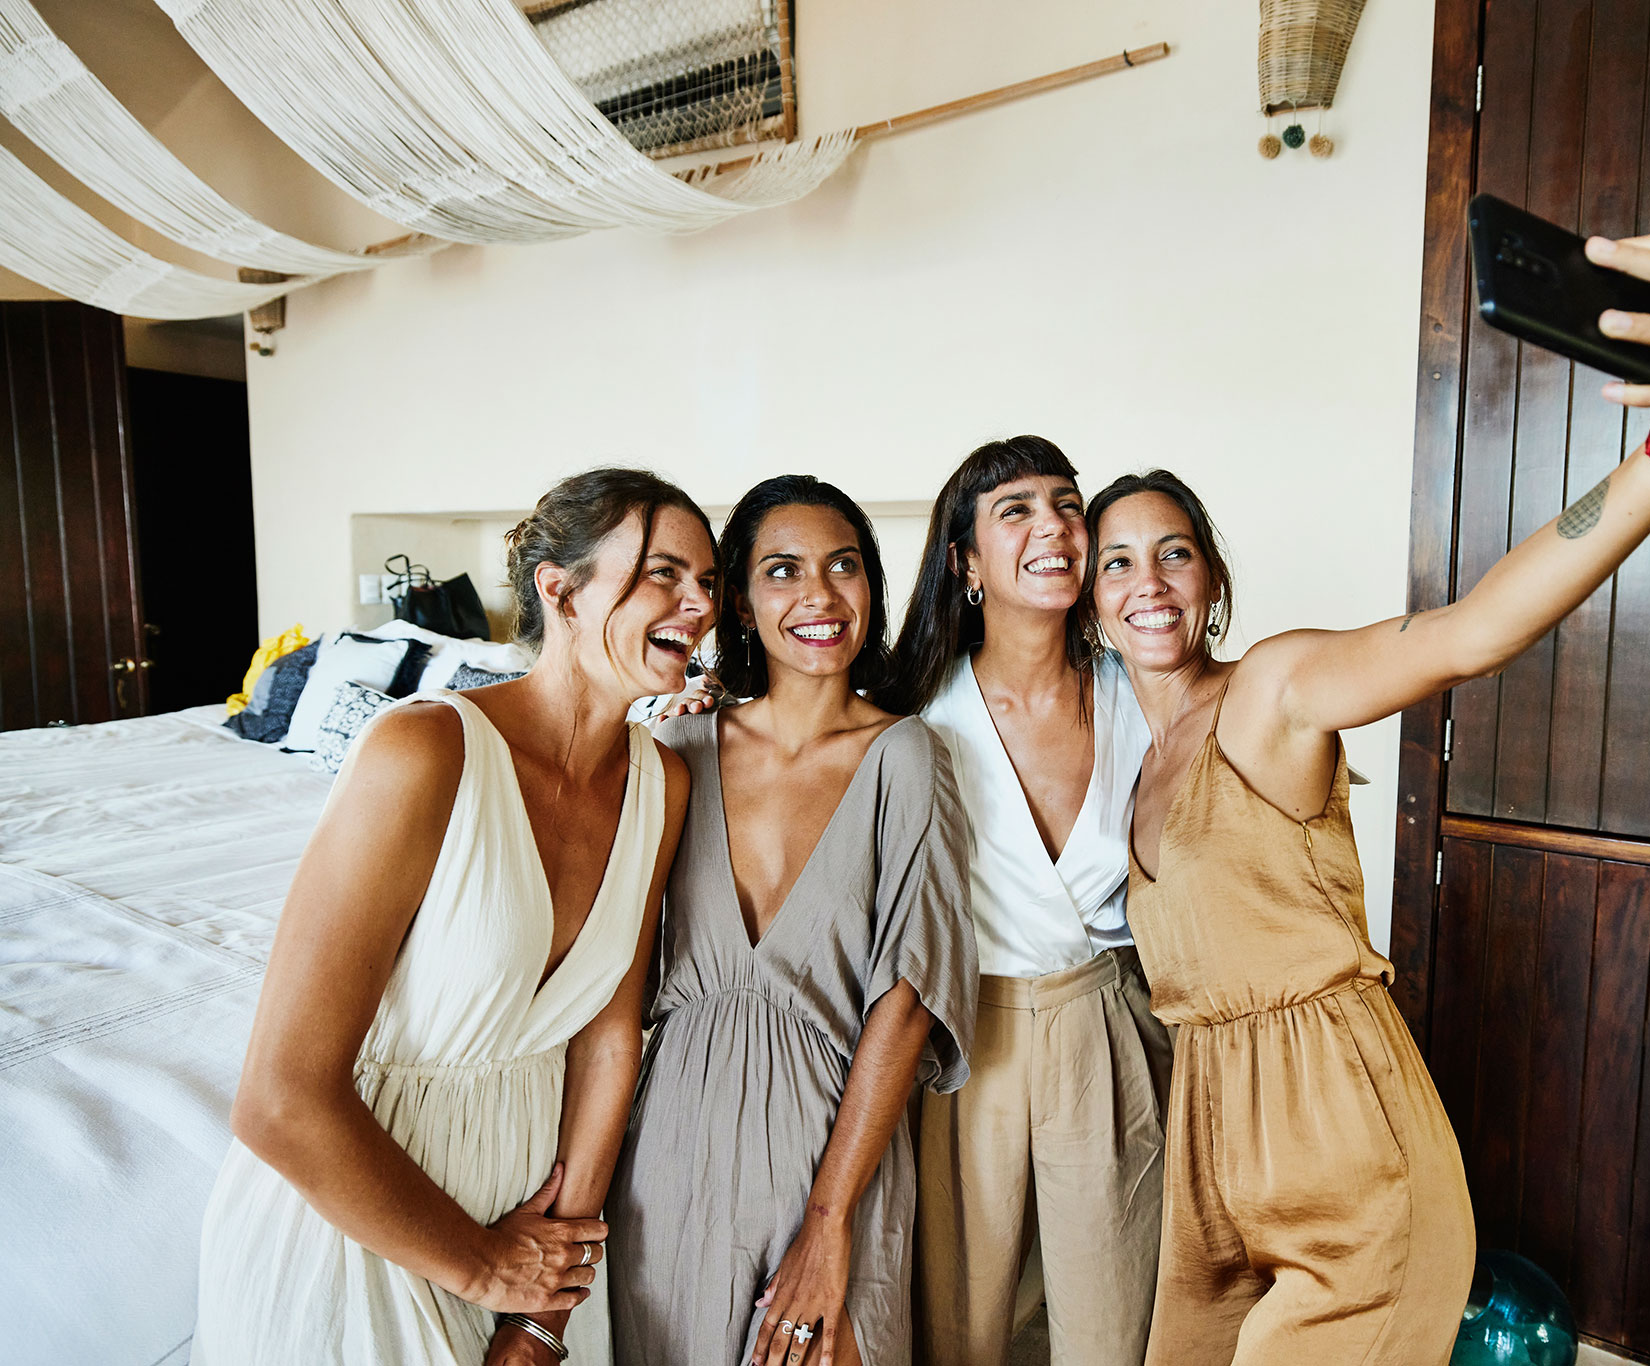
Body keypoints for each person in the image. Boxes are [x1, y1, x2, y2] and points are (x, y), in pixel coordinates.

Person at [1087, 233, 1650, 1365]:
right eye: (1114, 561)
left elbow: (1471, 629)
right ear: (1091, 602)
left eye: (1173, 553)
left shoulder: (1274, 689)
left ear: (1208, 584)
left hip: (1348, 1153)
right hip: (1214, 1159)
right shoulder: (1133, 764)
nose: (1145, 581)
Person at [192, 467, 710, 1366]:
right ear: (561, 590)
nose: (700, 603)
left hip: (536, 1242)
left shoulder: (663, 785)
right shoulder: (422, 751)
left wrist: (544, 1310)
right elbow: (278, 1100)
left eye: (708, 582)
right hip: (359, 1231)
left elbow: (608, 1041)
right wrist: (481, 1268)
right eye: (665, 573)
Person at [608, 475, 977, 1366]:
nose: (818, 595)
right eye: (783, 570)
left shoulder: (906, 755)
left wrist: (829, 1220)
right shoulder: (675, 750)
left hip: (830, 1151)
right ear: (737, 599)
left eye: (843, 565)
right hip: (670, 1155)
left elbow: (908, 997)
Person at [895, 436, 1172, 1366]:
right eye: (1015, 509)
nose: (1053, 526)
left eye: (1066, 503)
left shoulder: (1140, 691)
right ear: (965, 560)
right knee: (965, 1320)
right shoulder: (912, 712)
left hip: (1106, 1022)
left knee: (1112, 1313)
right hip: (965, 1041)